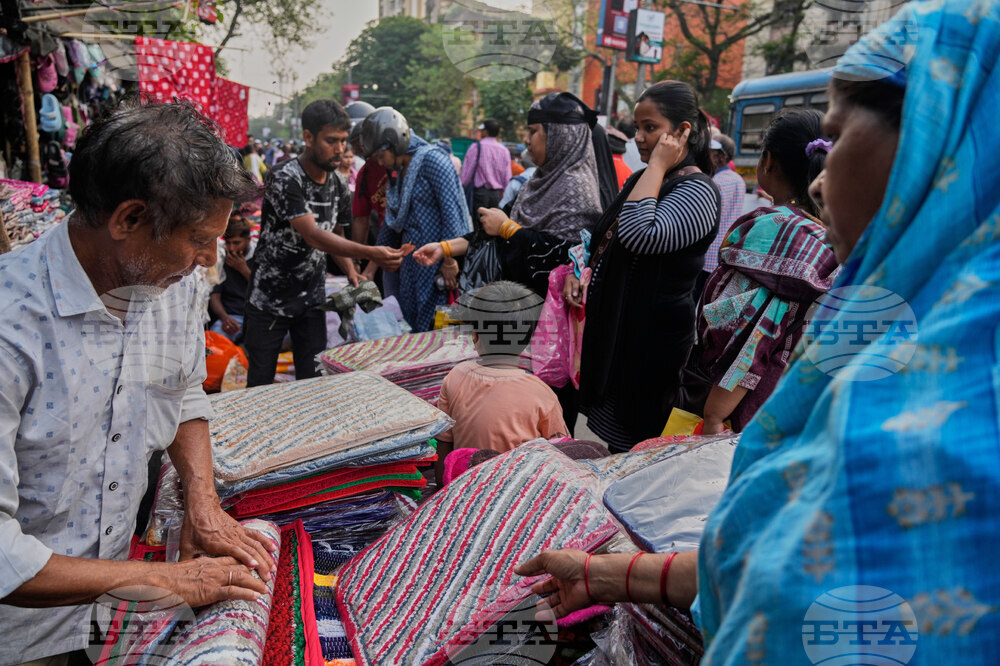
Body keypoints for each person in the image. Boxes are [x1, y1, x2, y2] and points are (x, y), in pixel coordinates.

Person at [519, 4, 1000, 662]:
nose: (822, 181)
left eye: (833, 144)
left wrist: (654, 171)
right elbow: (761, 550)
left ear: (925, 144)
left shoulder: (964, 400)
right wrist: (604, 576)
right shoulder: (884, 327)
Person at [0, 100, 277, 665]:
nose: (207, 262)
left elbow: (182, 390)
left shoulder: (169, 287)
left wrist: (202, 501)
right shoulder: (11, 327)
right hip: (19, 635)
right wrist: (178, 583)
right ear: (127, 219)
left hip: (109, 622)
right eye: (199, 239)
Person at [566, 81, 721, 452]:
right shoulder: (647, 179)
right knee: (616, 442)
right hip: (624, 337)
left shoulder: (697, 191)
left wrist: (658, 164)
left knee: (638, 447)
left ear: (682, 131)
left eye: (650, 127)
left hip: (653, 347)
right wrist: (583, 273)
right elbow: (607, 234)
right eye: (638, 127)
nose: (639, 137)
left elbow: (639, 235)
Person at [696, 109, 839, 434]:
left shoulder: (774, 235)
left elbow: (756, 332)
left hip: (748, 407)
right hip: (800, 399)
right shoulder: (831, 234)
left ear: (768, 162)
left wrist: (715, 414)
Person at [244, 100, 403, 387]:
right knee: (260, 383)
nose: (340, 149)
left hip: (311, 302)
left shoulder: (339, 185)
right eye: (331, 141)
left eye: (343, 141)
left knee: (313, 381)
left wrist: (352, 271)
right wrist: (371, 252)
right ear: (308, 137)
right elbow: (314, 235)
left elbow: (337, 237)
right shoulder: (283, 177)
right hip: (269, 300)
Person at [434, 281, 568, 484]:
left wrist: (442, 490)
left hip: (464, 486)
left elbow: (443, 444)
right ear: (529, 339)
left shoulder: (456, 376)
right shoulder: (542, 394)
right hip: (516, 493)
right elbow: (561, 453)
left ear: (475, 336)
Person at [365, 107, 471, 332]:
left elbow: (451, 213)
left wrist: (449, 261)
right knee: (412, 325)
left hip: (437, 265)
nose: (381, 163)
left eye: (381, 156)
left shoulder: (434, 162)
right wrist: (371, 266)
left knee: (437, 329)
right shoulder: (398, 171)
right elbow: (392, 221)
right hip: (412, 265)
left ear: (395, 144)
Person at [701, 133, 744, 281]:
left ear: (723, 156)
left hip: (707, 255)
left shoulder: (715, 182)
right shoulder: (738, 180)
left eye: (712, 152)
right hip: (725, 252)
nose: (708, 154)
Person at [209, 213, 254, 342]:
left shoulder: (258, 257)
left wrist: (243, 270)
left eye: (236, 243)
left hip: (257, 318)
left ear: (248, 240)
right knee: (214, 342)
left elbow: (263, 291)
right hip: (232, 317)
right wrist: (225, 318)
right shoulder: (222, 259)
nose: (232, 248)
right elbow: (214, 295)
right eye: (228, 243)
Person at [460, 118, 512, 224]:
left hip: (479, 194)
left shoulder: (476, 147)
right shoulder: (504, 151)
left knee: (478, 226)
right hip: (496, 196)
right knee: (492, 227)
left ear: (485, 131)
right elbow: (507, 178)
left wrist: (462, 187)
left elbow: (467, 173)